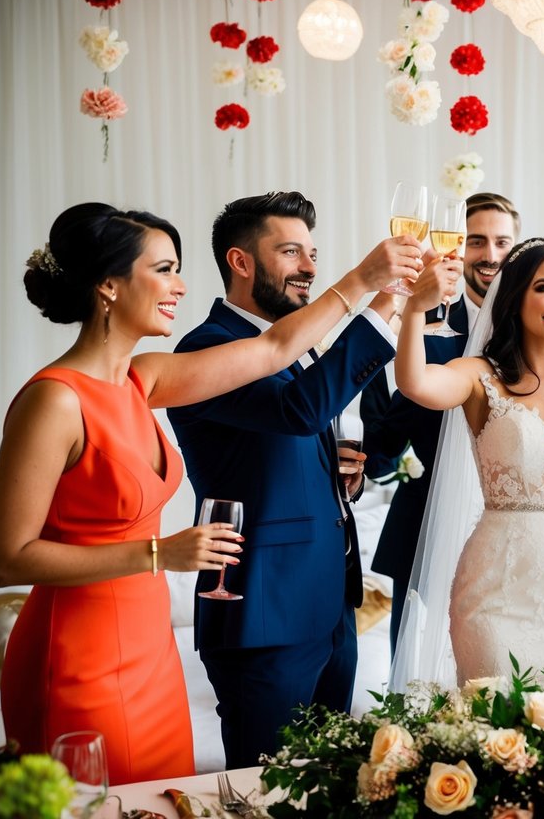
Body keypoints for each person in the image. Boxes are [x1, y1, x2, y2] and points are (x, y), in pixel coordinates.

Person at [0, 201, 416, 785]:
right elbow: (8, 556)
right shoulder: (54, 399)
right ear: (109, 285)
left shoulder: (145, 378)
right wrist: (158, 554)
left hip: (152, 647)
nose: (181, 285)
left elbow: (275, 351)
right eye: (164, 269)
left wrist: (384, 292)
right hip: (78, 648)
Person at [165, 191, 421, 769]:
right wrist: (382, 301)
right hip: (263, 613)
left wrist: (342, 482)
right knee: (266, 791)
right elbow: (298, 412)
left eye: (313, 252)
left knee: (331, 788)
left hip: (330, 608)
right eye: (291, 251)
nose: (310, 267)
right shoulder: (207, 347)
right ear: (241, 262)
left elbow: (291, 445)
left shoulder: (298, 346)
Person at [389, 238, 544, 689]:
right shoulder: (480, 375)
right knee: (493, 728)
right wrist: (413, 312)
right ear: (515, 296)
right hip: (496, 590)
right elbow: (415, 384)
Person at [361, 192, 521, 654]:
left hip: (511, 533)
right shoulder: (416, 328)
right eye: (476, 241)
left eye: (502, 242)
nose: (490, 256)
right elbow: (382, 452)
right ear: (455, 248)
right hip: (424, 531)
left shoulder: (540, 327)